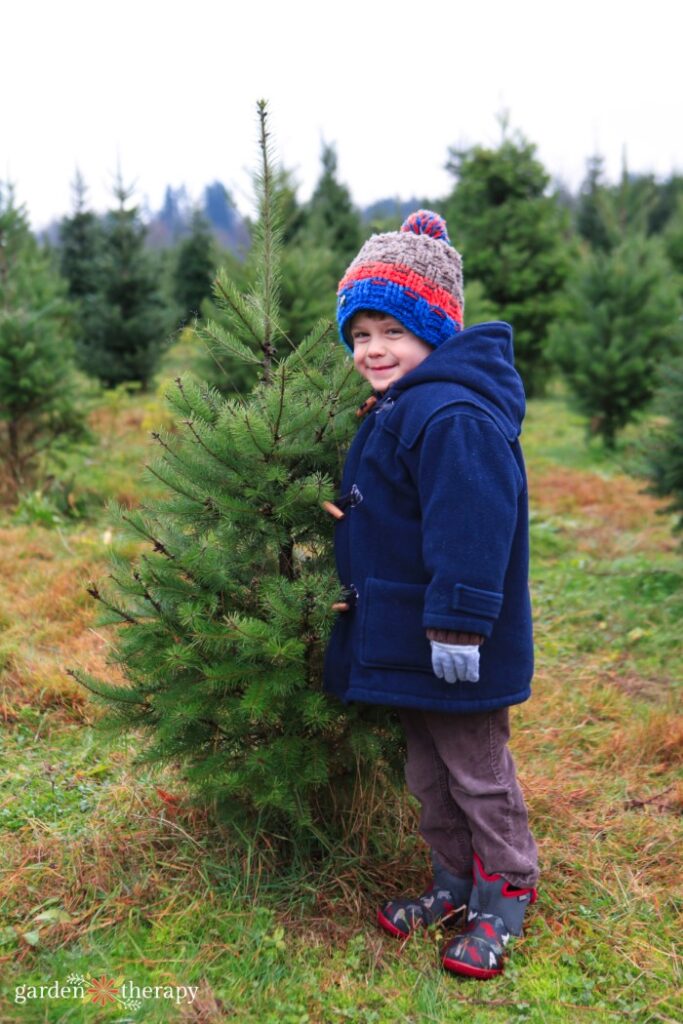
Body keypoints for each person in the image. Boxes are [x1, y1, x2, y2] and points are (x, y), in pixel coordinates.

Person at [323, 210, 539, 980]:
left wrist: (458, 625)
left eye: (391, 332)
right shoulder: (407, 404)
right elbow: (410, 507)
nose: (372, 351)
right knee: (427, 771)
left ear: (433, 332)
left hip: (456, 640)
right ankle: (452, 882)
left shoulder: (451, 413)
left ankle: (505, 889)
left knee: (476, 768)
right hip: (409, 636)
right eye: (359, 336)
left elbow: (471, 526)